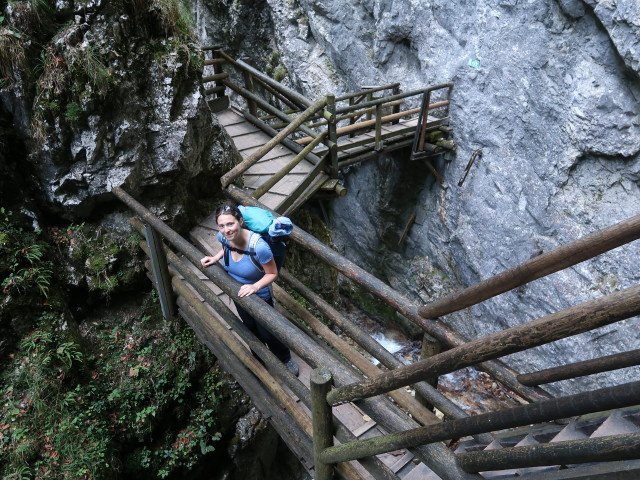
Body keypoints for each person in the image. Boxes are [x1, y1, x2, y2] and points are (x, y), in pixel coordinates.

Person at [200, 203, 299, 376]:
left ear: (241, 221)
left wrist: (254, 286)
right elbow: (226, 246)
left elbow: (272, 273)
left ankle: (285, 358)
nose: (226, 230)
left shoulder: (259, 247)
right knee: (250, 327)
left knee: (268, 332)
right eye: (221, 226)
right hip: (237, 291)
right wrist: (215, 257)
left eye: (230, 224)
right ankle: (259, 358)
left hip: (258, 294)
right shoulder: (222, 236)